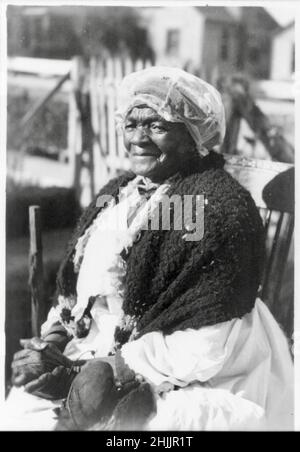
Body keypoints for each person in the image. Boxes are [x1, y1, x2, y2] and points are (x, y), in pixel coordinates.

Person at [3, 67, 293, 431]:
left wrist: (114, 369)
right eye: (130, 124)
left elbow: (207, 343)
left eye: (157, 126)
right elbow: (79, 288)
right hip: (101, 347)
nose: (138, 138)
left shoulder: (217, 209)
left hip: (191, 363)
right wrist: (54, 341)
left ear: (192, 137)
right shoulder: (118, 193)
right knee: (21, 412)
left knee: (148, 426)